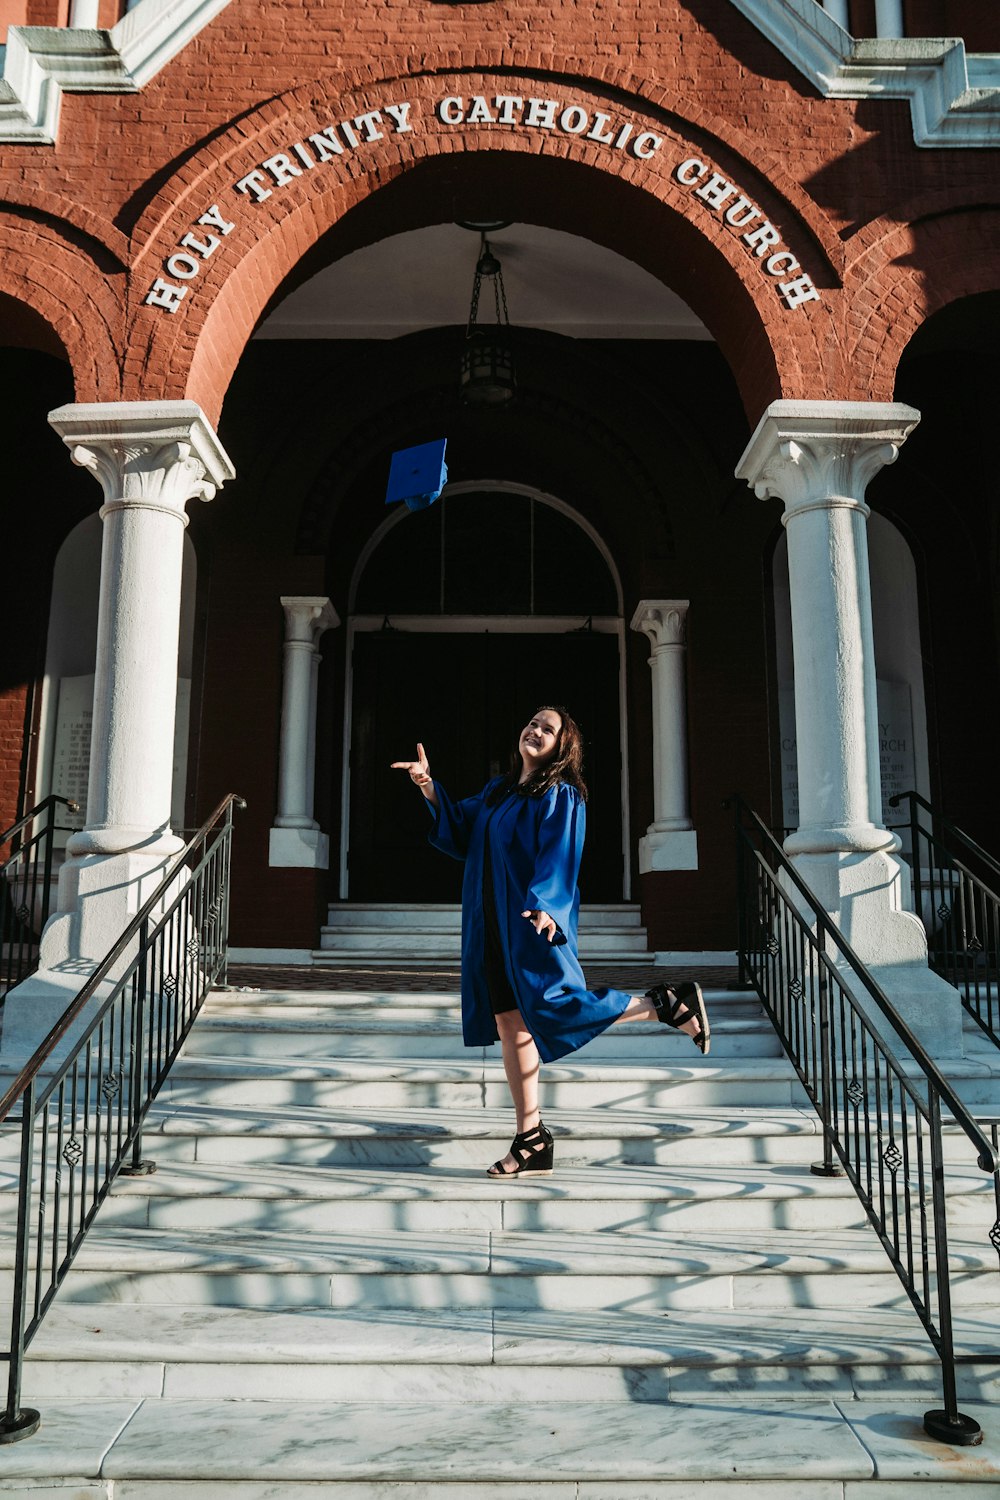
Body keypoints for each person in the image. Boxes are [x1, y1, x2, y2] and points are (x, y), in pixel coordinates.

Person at [391, 706, 710, 1178]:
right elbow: (460, 829)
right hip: (491, 928)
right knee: (510, 1025)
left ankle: (662, 1003)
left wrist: (547, 906)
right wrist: (426, 785)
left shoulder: (561, 796)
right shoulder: (499, 792)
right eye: (532, 723)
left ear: (563, 746)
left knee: (555, 1005)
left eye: (548, 728)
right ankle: (531, 1138)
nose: (535, 731)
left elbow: (560, 856)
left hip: (531, 923)